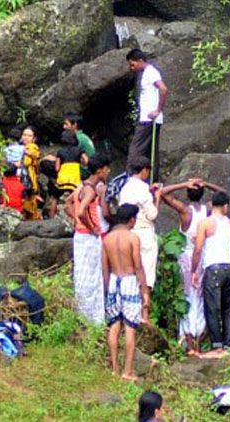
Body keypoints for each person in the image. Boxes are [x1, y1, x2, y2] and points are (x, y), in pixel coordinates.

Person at [159, 177, 226, 356]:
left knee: (188, 298)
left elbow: (162, 193)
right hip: (203, 256)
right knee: (201, 298)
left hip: (187, 257)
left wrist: (182, 184)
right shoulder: (208, 210)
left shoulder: (185, 211)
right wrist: (208, 183)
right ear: (203, 194)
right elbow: (223, 194)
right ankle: (198, 344)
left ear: (188, 193)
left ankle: (189, 345)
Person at [103, 203, 150, 381]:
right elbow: (138, 266)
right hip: (129, 280)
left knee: (114, 325)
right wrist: (145, 291)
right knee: (130, 327)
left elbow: (105, 268)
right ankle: (127, 371)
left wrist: (107, 289)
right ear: (131, 220)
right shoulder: (133, 238)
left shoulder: (107, 238)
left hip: (114, 281)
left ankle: (115, 367)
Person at [192, 191, 230, 358]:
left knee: (212, 308)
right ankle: (229, 345)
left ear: (212, 205)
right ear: (225, 207)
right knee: (228, 309)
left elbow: (197, 249)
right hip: (229, 267)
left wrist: (194, 271)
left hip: (213, 268)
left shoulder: (205, 223)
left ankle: (217, 346)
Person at [72, 156, 111, 325]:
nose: (108, 172)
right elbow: (81, 211)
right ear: (99, 170)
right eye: (106, 169)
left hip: (79, 235)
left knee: (82, 275)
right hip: (88, 238)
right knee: (92, 277)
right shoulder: (91, 190)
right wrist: (92, 226)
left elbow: (68, 204)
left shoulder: (81, 185)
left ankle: (83, 316)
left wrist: (77, 222)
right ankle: (93, 319)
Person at [126, 49, 168, 182]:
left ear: (140, 61)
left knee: (135, 151)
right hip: (151, 120)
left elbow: (163, 88)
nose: (132, 68)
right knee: (151, 153)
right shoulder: (146, 73)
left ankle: (130, 180)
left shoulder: (150, 72)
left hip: (148, 120)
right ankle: (153, 182)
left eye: (133, 65)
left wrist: (158, 110)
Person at [118, 157, 159, 292]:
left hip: (127, 232)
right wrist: (157, 198)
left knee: (130, 274)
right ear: (144, 171)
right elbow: (152, 214)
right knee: (145, 275)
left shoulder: (125, 187)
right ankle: (145, 304)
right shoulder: (143, 187)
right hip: (144, 233)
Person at [55, 130, 86, 205]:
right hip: (75, 180)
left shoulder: (60, 151)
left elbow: (57, 168)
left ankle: (52, 215)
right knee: (76, 197)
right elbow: (86, 160)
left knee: (54, 197)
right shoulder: (79, 149)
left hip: (62, 180)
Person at [20, 126, 43, 221]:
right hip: (26, 178)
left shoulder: (32, 147)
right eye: (24, 135)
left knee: (29, 203)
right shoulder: (21, 148)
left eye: (29, 136)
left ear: (34, 139)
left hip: (29, 179)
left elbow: (28, 161)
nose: (26, 137)